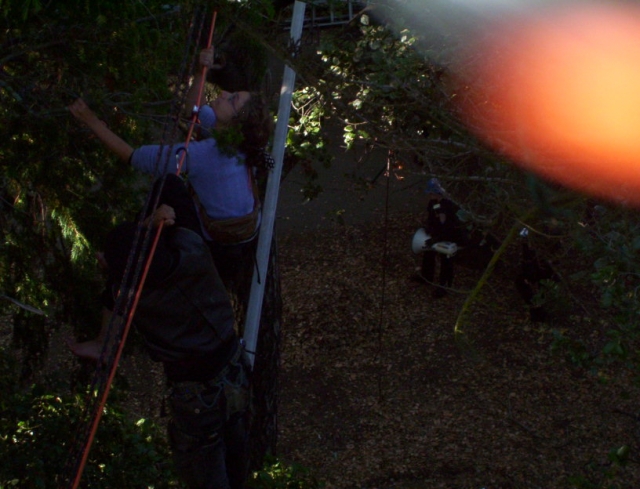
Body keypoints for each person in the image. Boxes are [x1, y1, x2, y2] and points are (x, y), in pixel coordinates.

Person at [68, 174, 251, 489]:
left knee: (205, 472)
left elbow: (119, 279)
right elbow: (170, 186)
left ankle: (100, 344)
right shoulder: (189, 244)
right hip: (233, 367)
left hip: (195, 393)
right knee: (237, 458)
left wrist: (139, 235)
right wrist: (154, 221)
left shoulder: (129, 293)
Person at [68, 46, 274, 306]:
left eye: (232, 100)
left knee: (166, 187)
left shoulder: (209, 153)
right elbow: (193, 111)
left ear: (236, 123)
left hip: (215, 248)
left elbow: (133, 156)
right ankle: (140, 239)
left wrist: (91, 121)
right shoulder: (237, 142)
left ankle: (129, 253)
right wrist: (201, 71)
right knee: (171, 187)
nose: (223, 94)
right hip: (237, 240)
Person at [420, 178, 468, 298]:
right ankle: (426, 277)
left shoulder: (447, 206)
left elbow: (447, 226)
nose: (430, 195)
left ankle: (444, 286)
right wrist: (430, 230)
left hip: (449, 237)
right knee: (428, 253)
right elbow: (432, 219)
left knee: (446, 260)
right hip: (437, 234)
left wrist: (437, 238)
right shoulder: (433, 203)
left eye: (432, 193)